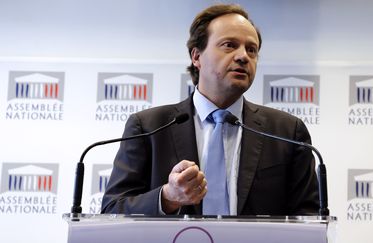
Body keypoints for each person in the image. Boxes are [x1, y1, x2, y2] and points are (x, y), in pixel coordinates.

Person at [101, 4, 319, 216]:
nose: (243, 56)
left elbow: (309, 217)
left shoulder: (286, 132)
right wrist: (167, 197)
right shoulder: (149, 126)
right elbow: (113, 208)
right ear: (196, 56)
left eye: (251, 50)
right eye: (229, 45)